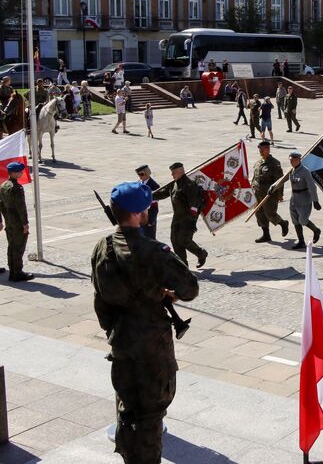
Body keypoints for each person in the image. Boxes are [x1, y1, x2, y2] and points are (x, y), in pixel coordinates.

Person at [91, 181, 198, 464]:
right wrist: (171, 296)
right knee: (151, 415)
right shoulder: (154, 251)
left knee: (126, 408)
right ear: (139, 213)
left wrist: (113, 329)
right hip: (152, 347)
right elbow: (190, 288)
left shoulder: (102, 247)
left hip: (121, 341)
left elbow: (99, 300)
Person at [152, 162, 208, 267]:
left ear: (181, 172)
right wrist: (149, 196)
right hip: (177, 217)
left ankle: (201, 253)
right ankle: (183, 265)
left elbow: (194, 206)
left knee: (184, 240)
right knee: (175, 241)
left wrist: (192, 222)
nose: (172, 175)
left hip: (187, 219)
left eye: (173, 173)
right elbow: (163, 193)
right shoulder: (174, 183)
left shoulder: (190, 185)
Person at [0, 162, 32, 281]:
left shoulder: (3, 185)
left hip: (8, 220)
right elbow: (21, 208)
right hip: (17, 221)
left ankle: (12, 271)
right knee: (18, 248)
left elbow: (0, 205)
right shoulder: (17, 188)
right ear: (13, 173)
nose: (22, 172)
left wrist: (3, 218)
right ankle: (17, 273)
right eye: (20, 171)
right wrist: (25, 224)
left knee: (11, 246)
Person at [252, 140, 288, 243]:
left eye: (262, 149)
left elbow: (280, 180)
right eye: (260, 149)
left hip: (269, 194)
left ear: (268, 149)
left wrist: (280, 194)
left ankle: (283, 223)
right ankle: (266, 235)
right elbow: (255, 178)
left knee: (270, 214)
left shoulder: (274, 163)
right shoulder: (258, 162)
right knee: (259, 214)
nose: (261, 151)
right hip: (257, 193)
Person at [287, 150, 322, 249]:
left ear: (298, 160)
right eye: (290, 160)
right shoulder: (291, 170)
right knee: (295, 221)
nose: (291, 162)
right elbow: (282, 180)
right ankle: (301, 241)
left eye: (292, 160)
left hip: (304, 199)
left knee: (302, 220)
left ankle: (316, 230)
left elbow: (312, 187)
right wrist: (273, 187)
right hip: (294, 199)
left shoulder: (305, 172)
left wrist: (315, 201)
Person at [135, 165, 160, 238]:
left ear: (147, 173)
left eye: (141, 174)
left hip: (148, 216)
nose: (140, 176)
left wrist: (151, 220)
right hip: (139, 215)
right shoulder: (139, 183)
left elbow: (154, 206)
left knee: (150, 237)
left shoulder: (154, 186)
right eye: (138, 174)